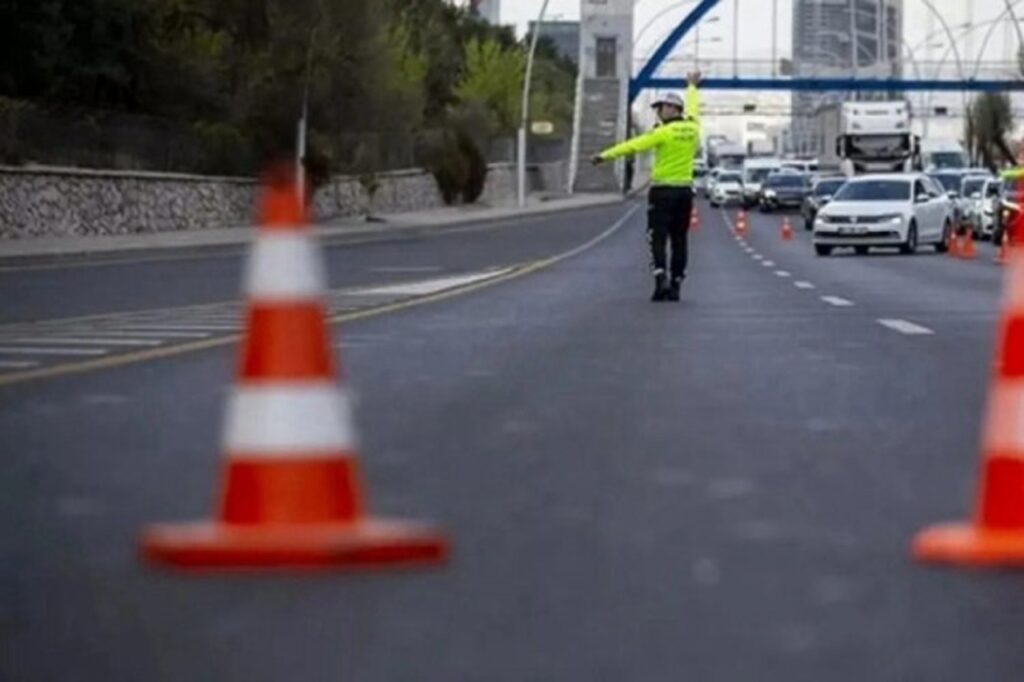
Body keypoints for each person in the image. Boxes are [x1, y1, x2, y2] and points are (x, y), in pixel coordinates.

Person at [592, 72, 702, 302]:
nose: (659, 112)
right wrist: (692, 86)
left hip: (662, 191)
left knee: (657, 237)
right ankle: (676, 284)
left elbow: (634, 145)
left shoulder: (661, 132)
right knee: (680, 239)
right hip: (684, 192)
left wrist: (605, 155)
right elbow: (693, 107)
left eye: (661, 108)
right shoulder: (693, 128)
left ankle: (660, 279)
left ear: (672, 109)